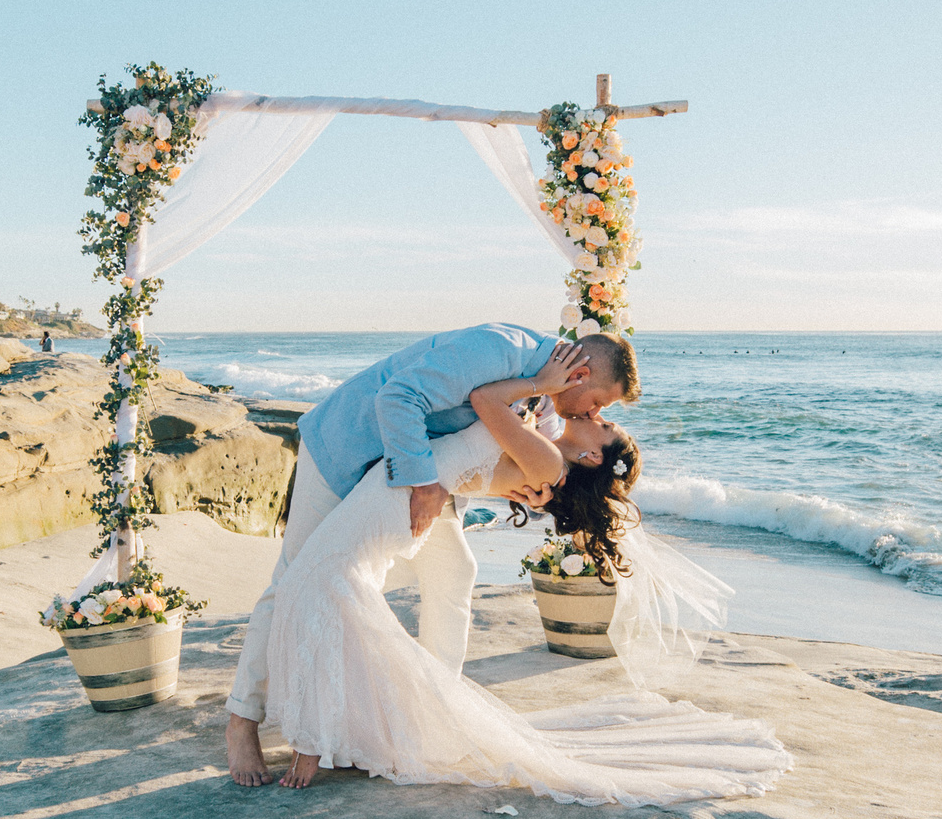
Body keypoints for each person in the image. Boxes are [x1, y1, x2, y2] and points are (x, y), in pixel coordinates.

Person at [257, 354, 790, 802]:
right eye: (602, 413)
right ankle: (338, 731)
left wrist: (543, 384)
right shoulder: (539, 453)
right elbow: (473, 465)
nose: (593, 415)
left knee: (325, 587)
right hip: (393, 492)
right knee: (326, 587)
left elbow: (488, 405)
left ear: (592, 455)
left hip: (394, 498)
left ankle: (315, 740)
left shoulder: (543, 459)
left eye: (603, 423)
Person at [225, 322, 636, 787]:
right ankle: (243, 719)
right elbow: (398, 399)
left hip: (413, 473)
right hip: (348, 452)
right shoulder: (499, 350)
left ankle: (430, 717)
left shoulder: (544, 398)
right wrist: (425, 485)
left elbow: (518, 456)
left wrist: (529, 492)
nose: (593, 413)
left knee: (454, 573)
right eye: (599, 403)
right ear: (579, 375)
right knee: (292, 582)